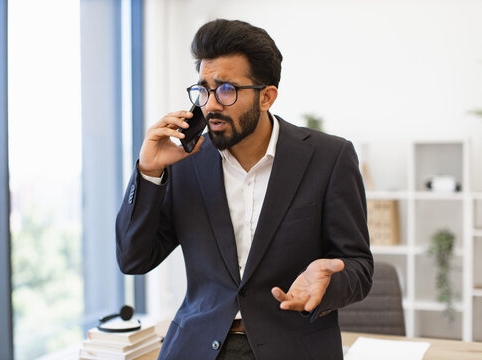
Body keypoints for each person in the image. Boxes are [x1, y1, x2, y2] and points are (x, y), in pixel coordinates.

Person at [116, 19, 373, 359]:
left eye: (226, 89)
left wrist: (328, 283)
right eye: (204, 90)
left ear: (266, 96)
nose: (210, 105)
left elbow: (358, 264)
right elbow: (134, 259)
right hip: (198, 347)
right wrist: (149, 172)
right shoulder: (184, 161)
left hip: (293, 346)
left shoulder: (329, 157)